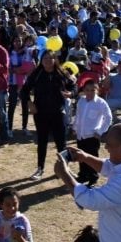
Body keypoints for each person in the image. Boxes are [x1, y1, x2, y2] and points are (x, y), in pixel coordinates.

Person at [20, 50, 75, 181]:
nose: (47, 61)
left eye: (50, 58)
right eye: (44, 58)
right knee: (42, 142)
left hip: (58, 112)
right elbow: (24, 90)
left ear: (55, 59)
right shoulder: (37, 74)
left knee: (61, 143)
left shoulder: (62, 73)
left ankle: (64, 168)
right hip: (41, 113)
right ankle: (40, 168)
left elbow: (74, 86)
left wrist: (71, 94)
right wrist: (29, 103)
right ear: (41, 60)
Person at [73, 79, 112, 186]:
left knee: (91, 157)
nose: (89, 92)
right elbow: (78, 115)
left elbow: (108, 118)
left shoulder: (100, 103)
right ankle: (83, 175)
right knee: (81, 156)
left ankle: (93, 177)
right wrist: (75, 127)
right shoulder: (81, 101)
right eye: (87, 90)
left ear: (97, 91)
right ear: (84, 91)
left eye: (92, 90)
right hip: (81, 135)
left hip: (92, 136)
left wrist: (100, 131)